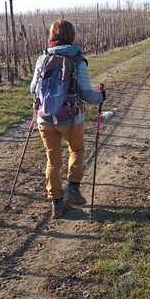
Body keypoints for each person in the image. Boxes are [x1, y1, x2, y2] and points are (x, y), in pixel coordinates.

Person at [30, 19, 104, 218]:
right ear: (72, 36)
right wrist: (101, 97)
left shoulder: (42, 59)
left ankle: (56, 203)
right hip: (71, 119)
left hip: (45, 119)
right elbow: (86, 94)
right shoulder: (77, 60)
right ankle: (73, 187)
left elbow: (32, 89)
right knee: (77, 150)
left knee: (52, 160)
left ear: (52, 36)